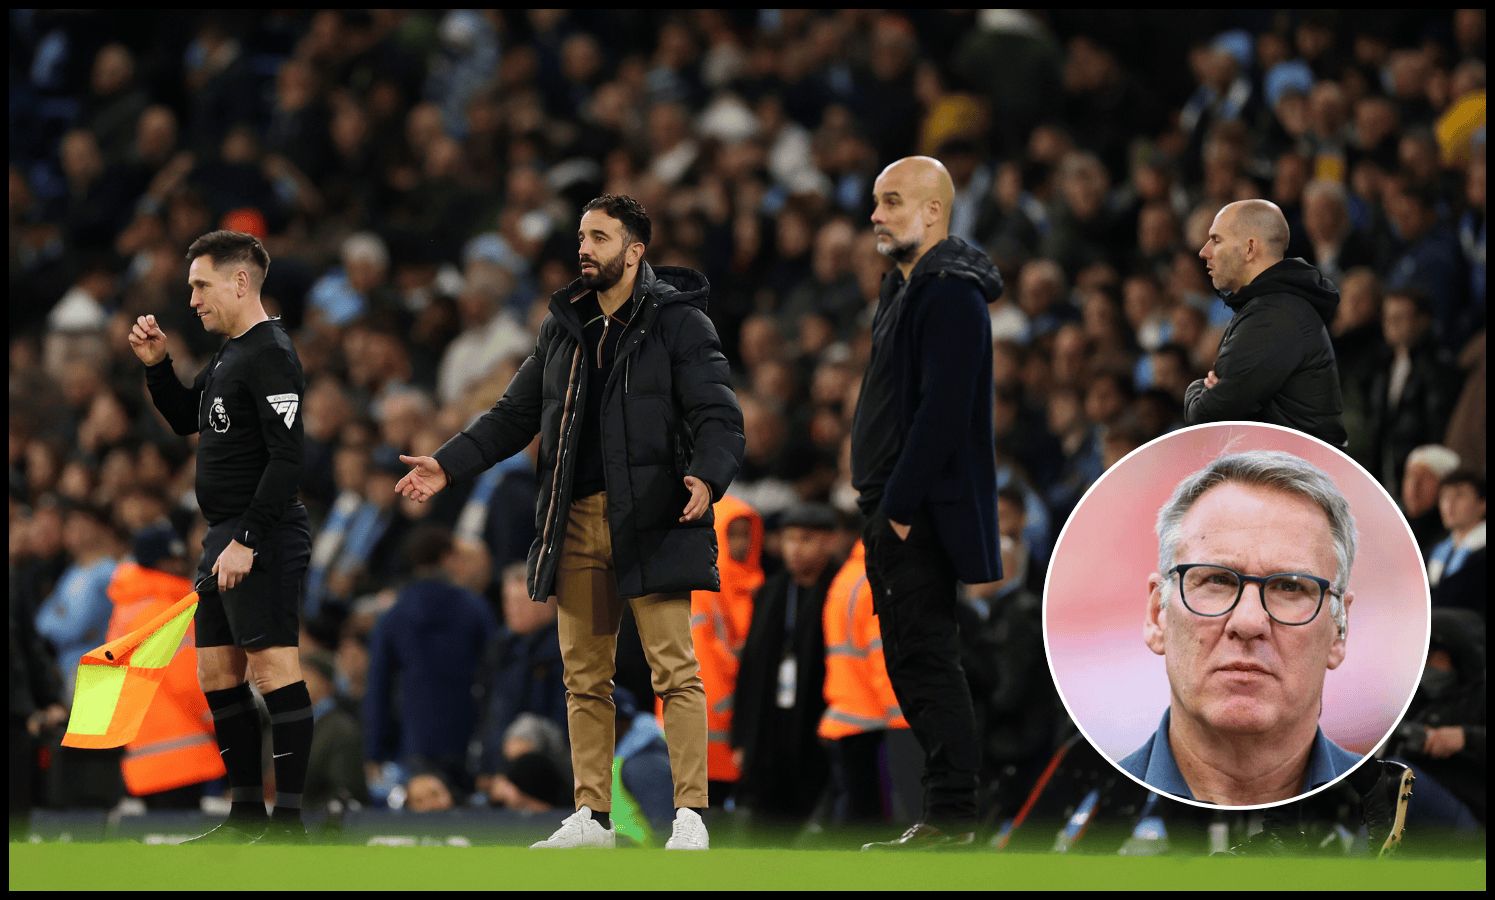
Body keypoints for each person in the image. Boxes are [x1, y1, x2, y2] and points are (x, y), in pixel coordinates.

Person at [395, 194, 744, 850]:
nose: (584, 247)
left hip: (656, 518)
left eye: (600, 237)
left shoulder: (678, 323)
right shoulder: (564, 325)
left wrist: (707, 472)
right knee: (584, 675)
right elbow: (511, 414)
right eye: (581, 236)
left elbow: (718, 413)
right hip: (575, 522)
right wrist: (447, 465)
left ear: (635, 251)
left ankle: (691, 814)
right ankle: (592, 817)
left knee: (674, 669)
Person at [130, 229, 313, 842]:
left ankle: (288, 824)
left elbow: (288, 459)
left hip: (261, 534)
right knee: (216, 673)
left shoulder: (270, 352)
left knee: (273, 667)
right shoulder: (231, 354)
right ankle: (243, 818)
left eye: (201, 284)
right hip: (224, 536)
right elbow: (189, 419)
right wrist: (159, 368)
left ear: (240, 281)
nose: (192, 299)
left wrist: (250, 541)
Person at [850, 156, 1004, 850]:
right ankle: (947, 817)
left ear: (932, 211)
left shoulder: (949, 295)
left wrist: (901, 507)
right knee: (912, 660)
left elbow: (943, 410)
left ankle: (953, 820)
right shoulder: (905, 289)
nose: (875, 215)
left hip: (915, 509)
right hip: (892, 502)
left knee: (927, 659)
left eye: (889, 201)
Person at [1122, 450, 1361, 805]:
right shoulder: (1068, 833)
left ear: (1338, 630)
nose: (1248, 622)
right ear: (1158, 615)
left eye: (1290, 586)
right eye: (1217, 580)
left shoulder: (1424, 831)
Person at [1187, 200, 1348, 446]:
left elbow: (1206, 418)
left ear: (1250, 248)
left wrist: (1196, 389)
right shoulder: (1268, 307)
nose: (1204, 251)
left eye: (1216, 240)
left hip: (1292, 478)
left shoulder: (1275, 316)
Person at [732, 503, 840, 835]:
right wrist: (742, 738)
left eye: (806, 539)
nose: (795, 549)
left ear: (829, 542)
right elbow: (750, 668)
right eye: (790, 539)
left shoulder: (837, 589)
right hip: (771, 724)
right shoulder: (771, 591)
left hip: (818, 722)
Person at [1427, 471, 1486, 617]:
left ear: (1482, 504)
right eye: (1445, 497)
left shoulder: (1481, 553)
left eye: (1459, 495)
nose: (1449, 504)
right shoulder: (1437, 550)